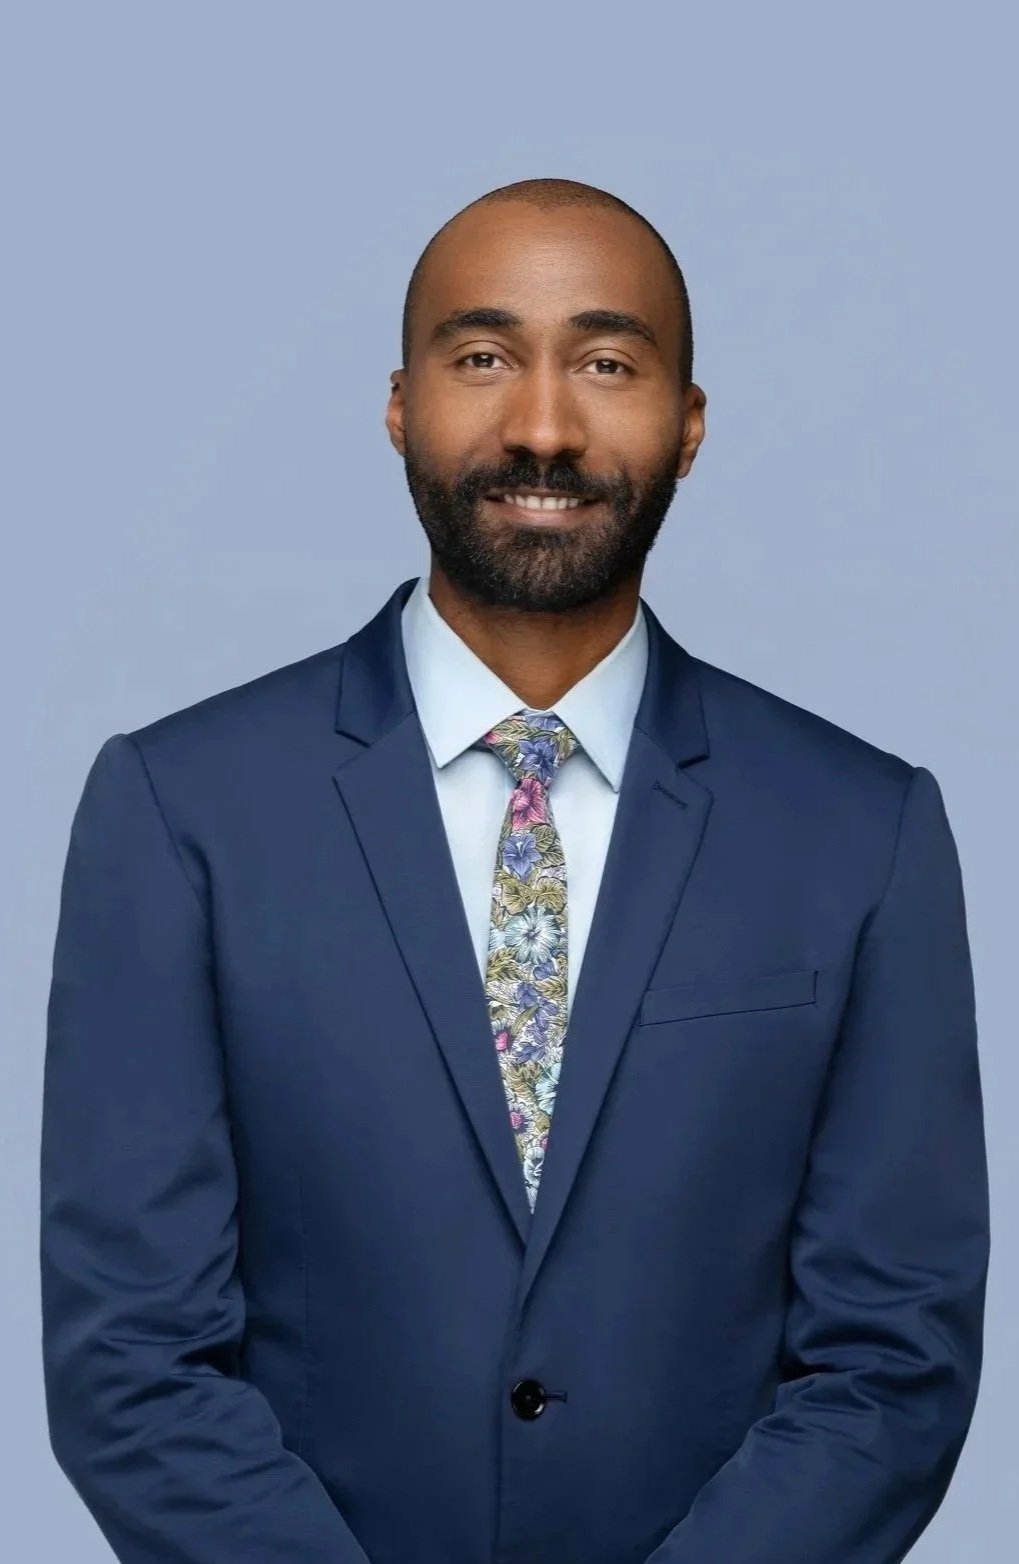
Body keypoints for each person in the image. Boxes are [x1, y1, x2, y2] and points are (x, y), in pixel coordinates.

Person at [40, 177, 989, 1564]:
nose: (543, 425)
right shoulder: (178, 809)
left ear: (692, 424)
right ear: (398, 406)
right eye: (482, 357)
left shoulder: (864, 831)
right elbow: (129, 1357)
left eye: (608, 363)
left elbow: (895, 1360)